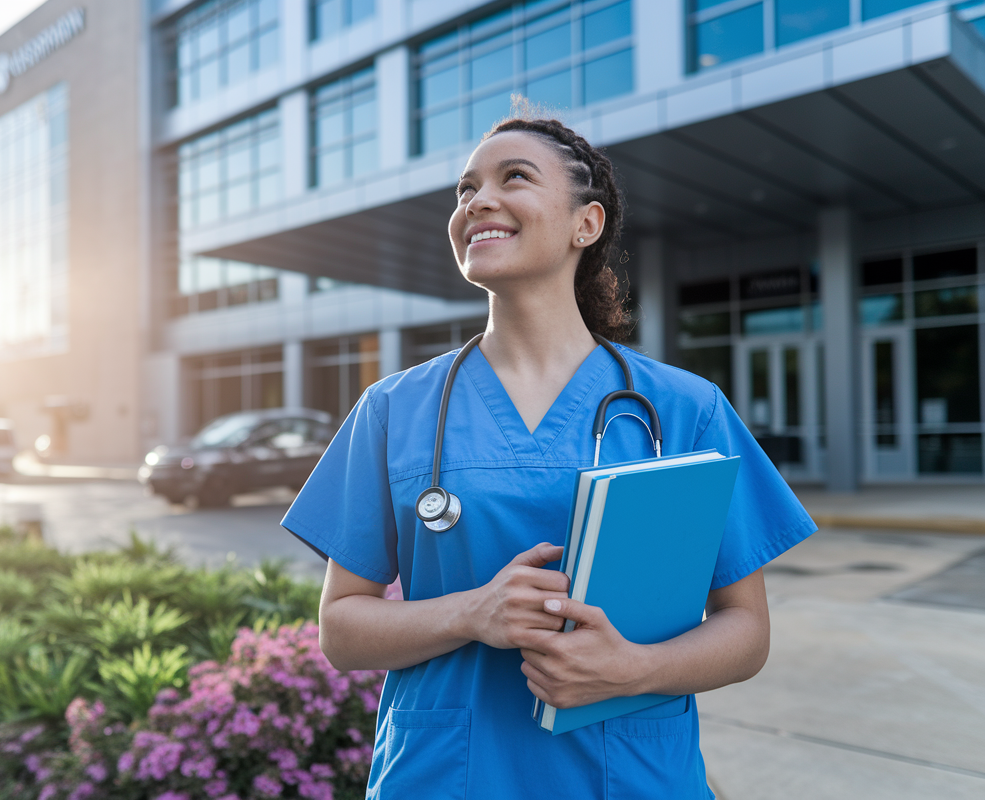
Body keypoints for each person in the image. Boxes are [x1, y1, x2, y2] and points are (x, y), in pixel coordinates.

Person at [281, 106, 817, 799]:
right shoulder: (393, 410)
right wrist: (471, 613)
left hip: (630, 777)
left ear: (584, 225)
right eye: (465, 189)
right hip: (448, 778)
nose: (479, 201)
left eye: (514, 178)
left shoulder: (685, 408)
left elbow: (745, 630)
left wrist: (634, 670)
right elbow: (343, 630)